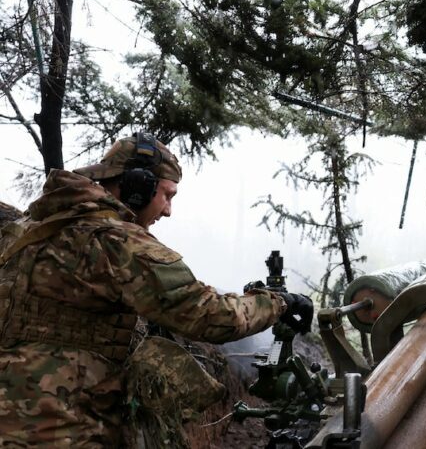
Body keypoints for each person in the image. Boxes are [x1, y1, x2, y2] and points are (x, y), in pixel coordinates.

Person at [0, 132, 313, 446]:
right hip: (65, 429)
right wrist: (280, 303)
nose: (167, 211)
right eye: (168, 195)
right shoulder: (117, 242)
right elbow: (209, 315)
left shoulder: (26, 231)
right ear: (139, 186)